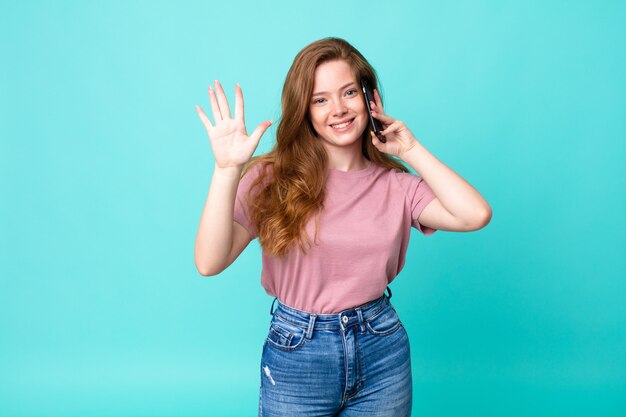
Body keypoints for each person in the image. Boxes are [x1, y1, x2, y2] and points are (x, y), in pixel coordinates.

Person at [194, 37, 491, 417]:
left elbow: (475, 214)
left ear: (370, 99)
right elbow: (209, 261)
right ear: (305, 109)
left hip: (381, 348)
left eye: (349, 92)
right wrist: (226, 171)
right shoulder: (272, 178)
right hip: (298, 352)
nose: (338, 109)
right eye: (320, 99)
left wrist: (409, 148)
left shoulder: (396, 186)